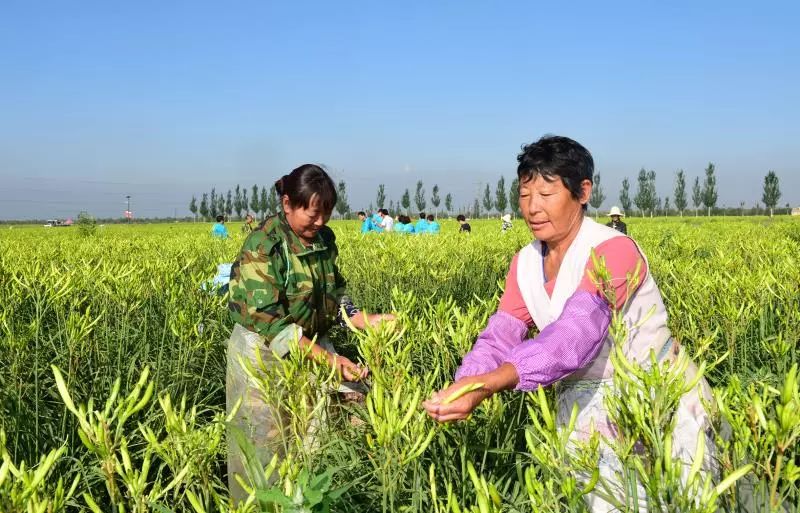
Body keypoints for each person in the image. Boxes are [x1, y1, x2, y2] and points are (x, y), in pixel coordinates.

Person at [423, 136, 716, 511]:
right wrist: (467, 382)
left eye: (546, 194)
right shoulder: (525, 263)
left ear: (582, 192)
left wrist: (492, 383)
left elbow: (574, 335)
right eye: (525, 195)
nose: (532, 208)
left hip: (655, 400)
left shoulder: (614, 249)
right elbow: (501, 333)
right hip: (585, 410)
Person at [227, 164, 394, 499]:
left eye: (327, 214)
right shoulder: (264, 245)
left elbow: (335, 294)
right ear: (287, 203)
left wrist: (361, 317)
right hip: (263, 357)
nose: (320, 223)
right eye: (313, 214)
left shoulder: (323, 240)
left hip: (313, 346)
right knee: (266, 450)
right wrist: (331, 361)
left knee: (317, 440)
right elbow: (272, 325)